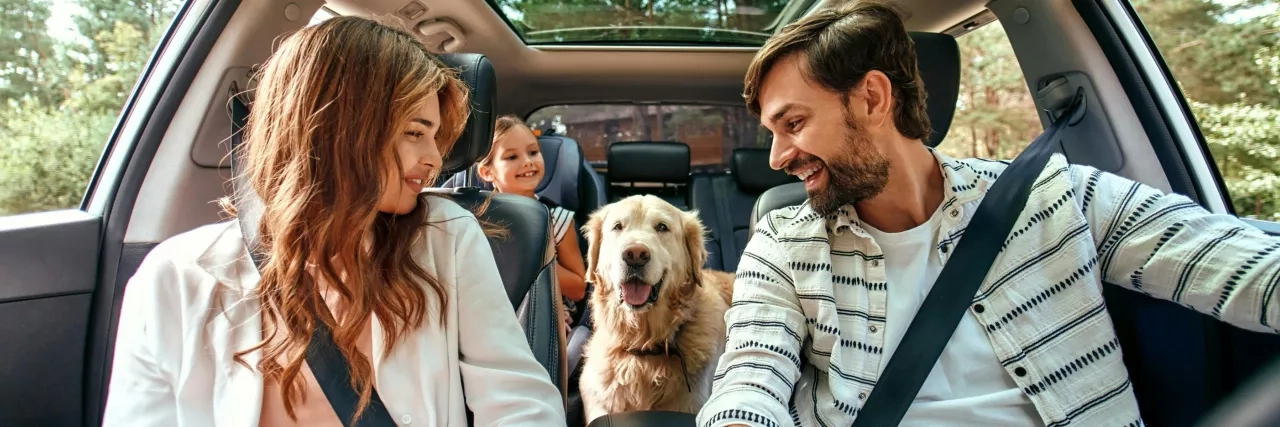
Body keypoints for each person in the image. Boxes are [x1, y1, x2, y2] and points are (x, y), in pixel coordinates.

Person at [698, 2, 1280, 427]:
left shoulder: (1059, 197)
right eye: (773, 133)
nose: (777, 158)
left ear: (872, 99)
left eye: (794, 124)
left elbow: (1239, 266)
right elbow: (753, 370)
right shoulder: (782, 240)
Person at [101, 16, 565, 427]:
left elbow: (516, 399)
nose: (434, 159)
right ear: (339, 129)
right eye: (415, 133)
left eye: (437, 137)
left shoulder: (445, 236)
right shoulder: (174, 278)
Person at [476, 115, 588, 332]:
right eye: (511, 157)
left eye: (533, 152)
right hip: (487, 314)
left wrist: (530, 259)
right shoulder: (477, 220)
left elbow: (578, 290)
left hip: (545, 317)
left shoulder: (558, 219)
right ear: (487, 171)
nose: (527, 161)